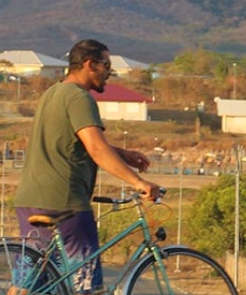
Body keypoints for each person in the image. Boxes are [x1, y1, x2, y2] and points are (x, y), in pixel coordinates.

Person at [12, 38, 162, 294]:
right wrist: (139, 182)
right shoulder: (79, 98)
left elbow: (74, 142)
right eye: (106, 65)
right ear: (90, 64)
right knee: (86, 287)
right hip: (66, 203)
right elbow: (95, 148)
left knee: (27, 284)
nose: (109, 73)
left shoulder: (53, 93)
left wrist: (121, 153)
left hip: (30, 199)